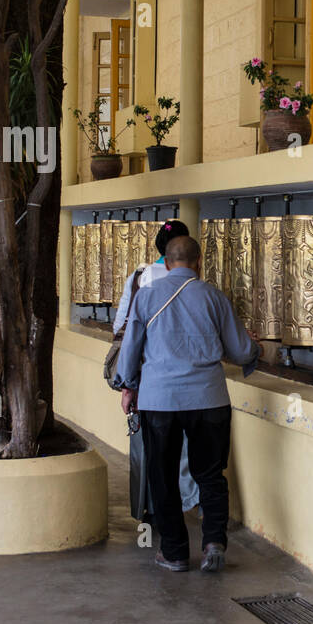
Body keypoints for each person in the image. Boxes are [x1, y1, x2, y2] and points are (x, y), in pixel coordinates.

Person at [116, 235, 261, 573]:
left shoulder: (147, 297)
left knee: (162, 475)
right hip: (208, 399)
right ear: (199, 261)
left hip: (159, 400)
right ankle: (213, 543)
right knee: (210, 474)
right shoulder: (214, 298)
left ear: (166, 264)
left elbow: (130, 352)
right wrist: (258, 351)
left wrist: (128, 388)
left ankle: (175, 552)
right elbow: (240, 351)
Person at [114, 219, 199, 518]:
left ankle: (155, 512)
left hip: (151, 384)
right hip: (196, 387)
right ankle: (191, 502)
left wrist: (128, 385)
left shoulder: (140, 277)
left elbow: (123, 331)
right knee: (188, 451)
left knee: (155, 450)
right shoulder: (199, 286)